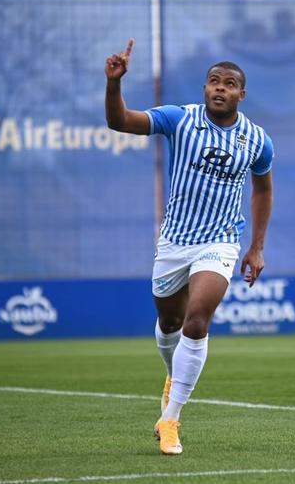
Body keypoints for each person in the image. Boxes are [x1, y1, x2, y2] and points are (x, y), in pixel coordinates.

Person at [104, 39, 274, 454]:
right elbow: (121, 121)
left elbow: (263, 189)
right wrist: (113, 85)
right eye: (213, 81)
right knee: (170, 324)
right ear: (204, 89)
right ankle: (172, 376)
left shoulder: (257, 140)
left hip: (219, 242)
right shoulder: (180, 119)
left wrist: (256, 247)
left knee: (197, 321)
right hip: (174, 241)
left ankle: (171, 419)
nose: (220, 88)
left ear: (241, 94)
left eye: (229, 83)